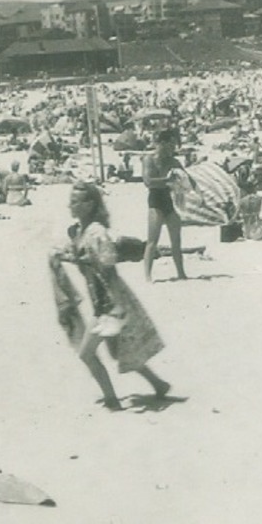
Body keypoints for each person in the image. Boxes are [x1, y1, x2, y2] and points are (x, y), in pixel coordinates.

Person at [51, 182, 172, 411]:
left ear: (89, 205)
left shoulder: (96, 231)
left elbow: (108, 262)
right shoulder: (81, 230)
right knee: (121, 351)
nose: (71, 205)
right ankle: (159, 384)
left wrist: (82, 259)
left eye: (75, 202)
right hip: (104, 300)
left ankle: (112, 400)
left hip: (110, 302)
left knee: (87, 354)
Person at [141, 130, 189, 282]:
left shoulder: (174, 162)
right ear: (161, 143)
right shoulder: (149, 160)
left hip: (169, 200)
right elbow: (148, 181)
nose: (173, 148)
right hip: (155, 200)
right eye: (170, 144)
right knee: (152, 241)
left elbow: (187, 180)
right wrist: (167, 180)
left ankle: (181, 273)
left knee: (176, 241)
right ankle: (148, 276)